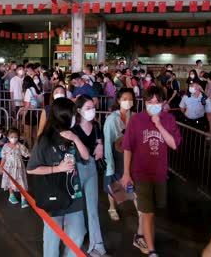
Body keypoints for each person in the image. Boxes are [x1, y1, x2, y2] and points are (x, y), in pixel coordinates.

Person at [121, 86, 181, 257]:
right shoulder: (136, 120)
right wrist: (126, 173)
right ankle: (152, 249)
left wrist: (159, 124)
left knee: (153, 211)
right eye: (150, 102)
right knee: (148, 212)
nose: (153, 105)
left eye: (157, 102)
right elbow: (127, 147)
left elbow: (174, 144)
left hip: (160, 174)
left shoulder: (168, 119)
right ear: (144, 103)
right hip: (140, 174)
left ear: (162, 103)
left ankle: (142, 236)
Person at [26, 97, 89, 257]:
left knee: (78, 233)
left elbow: (86, 157)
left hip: (74, 193)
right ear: (64, 115)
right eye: (74, 113)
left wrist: (75, 138)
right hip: (52, 194)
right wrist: (58, 168)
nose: (77, 117)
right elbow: (31, 169)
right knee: (52, 236)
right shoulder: (45, 140)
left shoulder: (72, 135)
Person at [71, 95, 109, 257]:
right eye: (88, 108)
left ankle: (97, 245)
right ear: (79, 110)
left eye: (92, 107)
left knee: (93, 207)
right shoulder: (72, 129)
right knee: (77, 208)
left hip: (91, 168)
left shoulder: (96, 125)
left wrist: (100, 145)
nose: (92, 111)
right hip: (76, 169)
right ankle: (76, 240)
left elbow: (99, 139)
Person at [103, 88, 135, 222]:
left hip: (130, 154)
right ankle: (112, 207)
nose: (128, 102)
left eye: (130, 99)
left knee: (130, 181)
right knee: (113, 182)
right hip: (115, 155)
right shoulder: (111, 119)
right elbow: (108, 141)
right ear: (118, 100)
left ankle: (137, 207)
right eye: (124, 99)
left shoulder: (133, 117)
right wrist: (109, 163)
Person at [0, 127, 30, 208]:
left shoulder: (20, 146)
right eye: (11, 137)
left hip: (19, 168)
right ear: (8, 137)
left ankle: (23, 199)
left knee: (21, 182)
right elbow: (3, 158)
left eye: (15, 137)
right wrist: (1, 167)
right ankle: (11, 195)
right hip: (8, 168)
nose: (14, 139)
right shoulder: (5, 146)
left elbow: (28, 154)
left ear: (18, 137)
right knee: (10, 181)